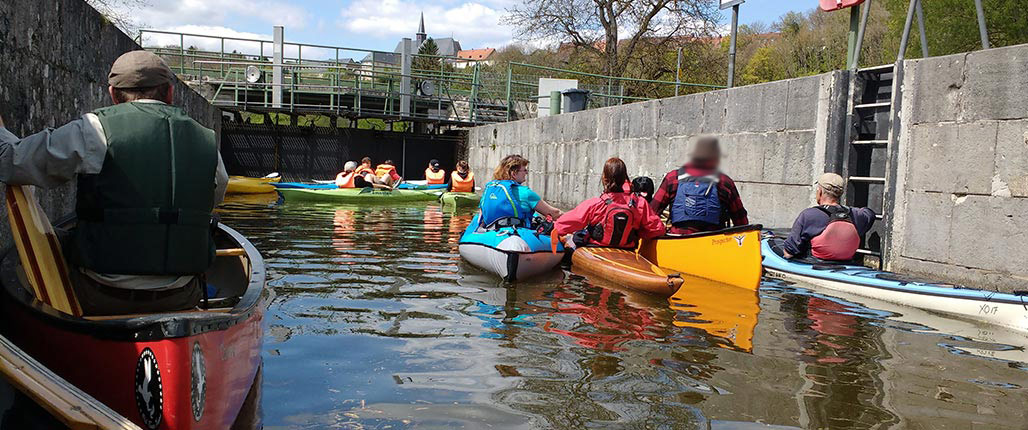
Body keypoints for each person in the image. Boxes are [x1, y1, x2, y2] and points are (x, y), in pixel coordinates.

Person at [0, 50, 228, 315]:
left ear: (112, 93)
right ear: (169, 93)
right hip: (181, 295)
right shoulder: (207, 140)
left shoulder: (93, 129)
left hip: (99, 294)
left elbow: (11, 161)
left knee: (52, 241)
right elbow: (211, 199)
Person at [554, 158, 665, 249]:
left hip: (595, 247)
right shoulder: (640, 203)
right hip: (627, 249)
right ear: (625, 178)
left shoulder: (596, 203)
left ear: (604, 178)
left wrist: (553, 229)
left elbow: (562, 226)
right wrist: (639, 234)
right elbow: (657, 229)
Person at [651, 136, 748, 234]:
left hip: (679, 241)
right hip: (714, 243)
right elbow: (741, 222)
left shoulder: (672, 178)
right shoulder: (725, 181)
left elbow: (651, 213)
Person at [782, 173, 876, 261]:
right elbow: (870, 214)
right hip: (847, 266)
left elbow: (789, 252)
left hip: (815, 265)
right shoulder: (855, 215)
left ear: (820, 192)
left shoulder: (808, 215)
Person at [478, 154, 562, 228]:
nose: (526, 173)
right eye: (524, 170)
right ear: (514, 174)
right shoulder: (525, 193)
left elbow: (481, 216)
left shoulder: (489, 190)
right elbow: (554, 213)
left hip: (490, 232)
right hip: (516, 236)